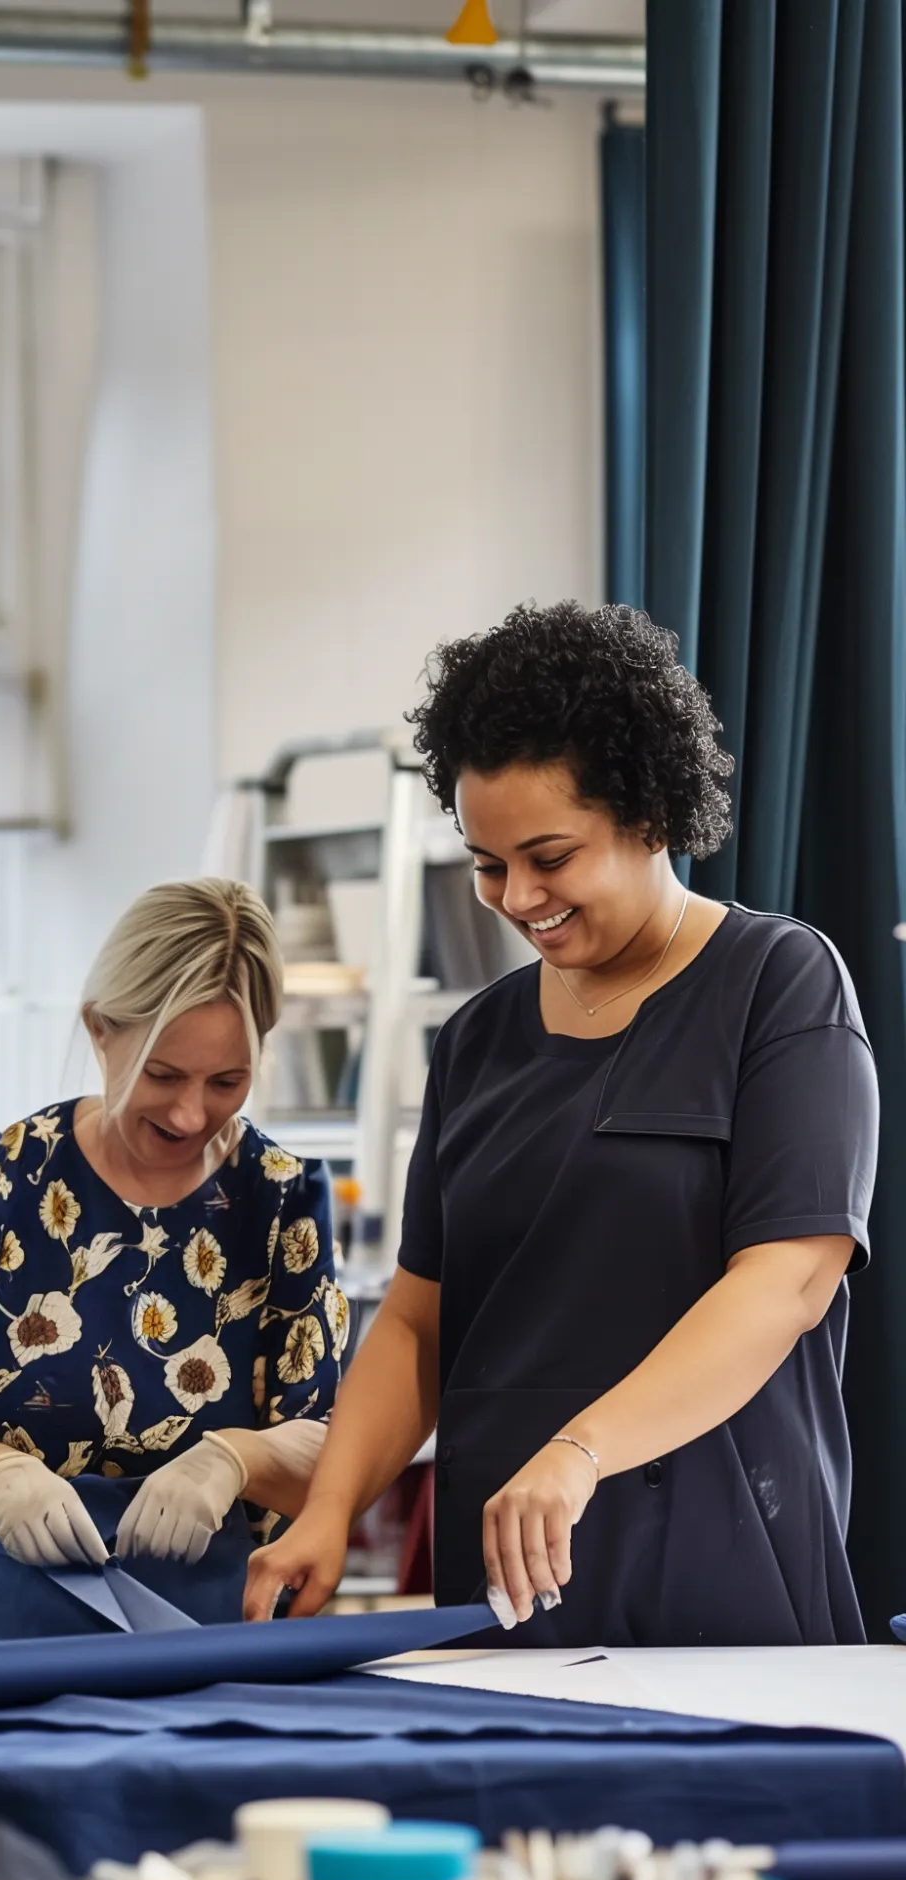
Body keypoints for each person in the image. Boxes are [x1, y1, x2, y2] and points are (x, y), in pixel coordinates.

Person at [246, 601, 877, 1647]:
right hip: (503, 1574)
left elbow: (787, 1280)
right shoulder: (478, 1039)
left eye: (549, 856)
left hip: (720, 1560)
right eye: (487, 863)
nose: (515, 896)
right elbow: (414, 1320)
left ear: (650, 815)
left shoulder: (777, 983)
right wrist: (329, 1505)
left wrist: (580, 1450)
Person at [0, 878, 348, 1642]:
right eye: (162, 1075)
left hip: (202, 1629)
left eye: (227, 1081)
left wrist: (234, 1458)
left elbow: (333, 1450)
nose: (191, 1113)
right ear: (100, 1030)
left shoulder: (279, 1202)